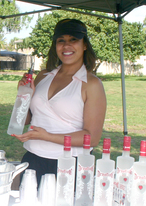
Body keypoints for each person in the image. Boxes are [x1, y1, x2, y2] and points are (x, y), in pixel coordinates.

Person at [12, 18, 106, 184]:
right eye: (61, 40)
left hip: (69, 164)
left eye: (73, 40)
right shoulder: (43, 76)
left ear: (84, 45)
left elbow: (92, 138)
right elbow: (21, 121)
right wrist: (23, 96)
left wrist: (47, 136)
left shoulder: (91, 84)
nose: (66, 46)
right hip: (33, 159)